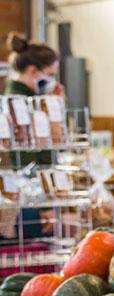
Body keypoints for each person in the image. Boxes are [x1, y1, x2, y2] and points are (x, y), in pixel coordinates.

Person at [3, 33, 64, 238]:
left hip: (33, 193)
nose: (52, 81)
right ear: (33, 71)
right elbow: (26, 158)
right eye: (50, 74)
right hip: (27, 197)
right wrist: (43, 205)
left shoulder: (32, 100)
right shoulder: (18, 104)